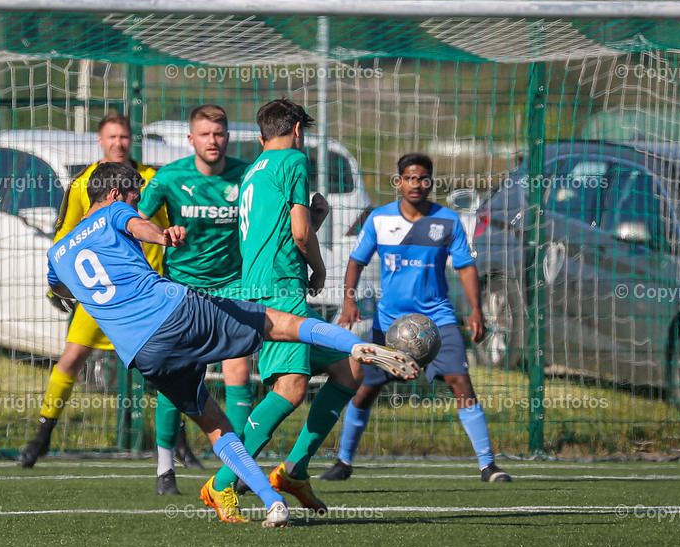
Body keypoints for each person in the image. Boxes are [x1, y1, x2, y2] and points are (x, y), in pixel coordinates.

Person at [46, 161, 417, 527]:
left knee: (215, 426)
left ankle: (273, 503)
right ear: (114, 195)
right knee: (282, 323)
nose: (137, 203)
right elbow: (136, 224)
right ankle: (354, 347)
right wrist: (160, 235)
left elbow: (59, 288)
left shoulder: (57, 254)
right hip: (177, 313)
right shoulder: (115, 212)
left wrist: (71, 293)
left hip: (144, 353)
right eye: (133, 196)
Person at [200, 98, 393, 522]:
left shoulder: (254, 171)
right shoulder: (294, 159)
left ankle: (293, 473)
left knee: (350, 368)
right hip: (280, 290)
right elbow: (300, 235)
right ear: (299, 131)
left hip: (262, 284)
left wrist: (315, 219)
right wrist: (320, 269)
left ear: (261, 133)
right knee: (288, 389)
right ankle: (222, 483)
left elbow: (280, 233)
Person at [320, 152, 512, 483]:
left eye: (423, 178)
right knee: (364, 389)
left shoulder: (447, 221)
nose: (416, 184)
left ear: (430, 183)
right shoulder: (379, 220)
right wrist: (349, 301)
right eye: (409, 178)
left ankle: (488, 465)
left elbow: (466, 267)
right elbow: (355, 262)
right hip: (389, 324)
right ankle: (344, 461)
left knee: (460, 381)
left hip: (438, 319)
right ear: (399, 182)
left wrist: (476, 310)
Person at [17, 112, 182, 468]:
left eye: (124, 137)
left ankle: (177, 443)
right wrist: (57, 286)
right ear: (100, 140)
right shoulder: (82, 184)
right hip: (99, 295)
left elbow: (166, 227)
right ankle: (43, 435)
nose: (118, 143)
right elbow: (64, 233)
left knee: (165, 366)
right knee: (72, 358)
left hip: (143, 294)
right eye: (112, 137)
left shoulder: (153, 180)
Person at [138, 104, 254, 496]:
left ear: (227, 137)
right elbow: (136, 221)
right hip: (183, 290)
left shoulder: (246, 176)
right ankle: (164, 468)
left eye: (219, 134)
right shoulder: (169, 178)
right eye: (205, 134)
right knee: (178, 379)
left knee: (238, 373)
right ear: (191, 140)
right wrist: (162, 232)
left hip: (232, 288)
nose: (213, 141)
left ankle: (237, 470)